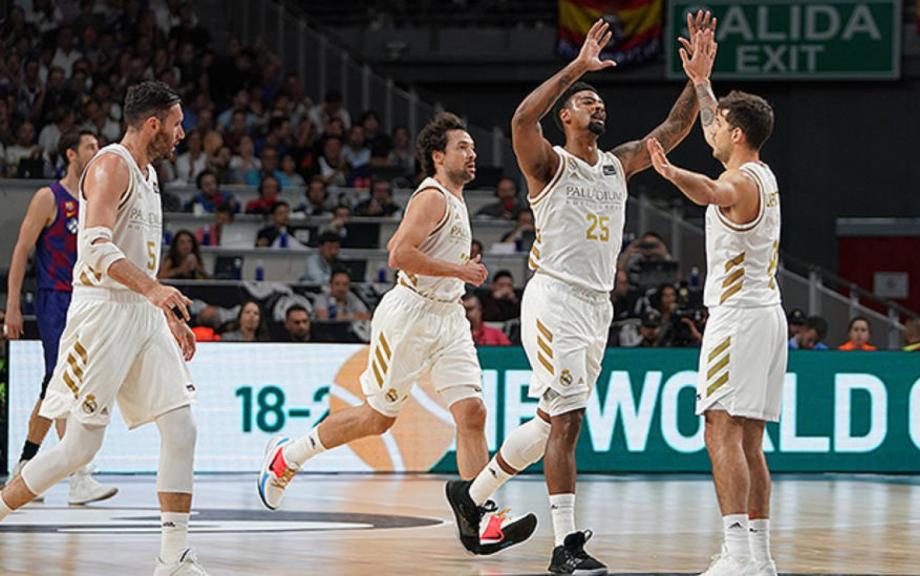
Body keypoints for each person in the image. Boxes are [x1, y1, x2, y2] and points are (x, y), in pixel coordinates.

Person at [446, 15, 707, 575]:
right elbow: (521, 117)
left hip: (596, 307)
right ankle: (565, 548)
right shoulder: (548, 164)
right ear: (565, 115)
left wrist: (697, 80)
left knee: (549, 422)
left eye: (598, 101)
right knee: (566, 424)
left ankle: (471, 496)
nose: (597, 106)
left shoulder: (618, 164)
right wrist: (576, 69)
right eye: (585, 101)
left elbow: (673, 130)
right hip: (555, 299)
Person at [257, 113, 537, 555]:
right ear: (438, 156)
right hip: (411, 316)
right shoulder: (432, 196)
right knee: (378, 418)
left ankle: (479, 514)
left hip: (448, 316)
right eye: (463, 147)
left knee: (473, 414)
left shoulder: (457, 200)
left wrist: (457, 269)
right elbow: (398, 254)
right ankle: (289, 457)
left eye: (473, 147)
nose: (473, 153)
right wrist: (459, 268)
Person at [0, 82, 208, 575]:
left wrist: (161, 310)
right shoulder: (113, 164)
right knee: (79, 448)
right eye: (177, 124)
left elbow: (138, 259)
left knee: (183, 427)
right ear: (153, 123)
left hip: (140, 312)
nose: (182, 133)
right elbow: (93, 248)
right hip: (101, 316)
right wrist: (154, 292)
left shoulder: (150, 173)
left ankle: (173, 557)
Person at [645, 19, 784, 575]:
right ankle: (759, 558)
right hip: (764, 315)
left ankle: (737, 554)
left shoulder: (742, 182)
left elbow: (713, 189)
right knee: (749, 442)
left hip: (739, 318)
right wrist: (703, 83)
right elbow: (711, 138)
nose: (713, 130)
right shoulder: (761, 169)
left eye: (720, 124)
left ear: (737, 133)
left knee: (720, 431)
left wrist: (668, 170)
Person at [3, 128, 118, 505]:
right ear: (71, 154)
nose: (96, 151)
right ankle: (78, 476)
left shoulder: (94, 198)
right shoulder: (47, 197)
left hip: (89, 300)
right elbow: (21, 251)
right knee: (63, 379)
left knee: (56, 386)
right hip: (55, 299)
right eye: (90, 146)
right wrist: (14, 305)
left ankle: (25, 467)